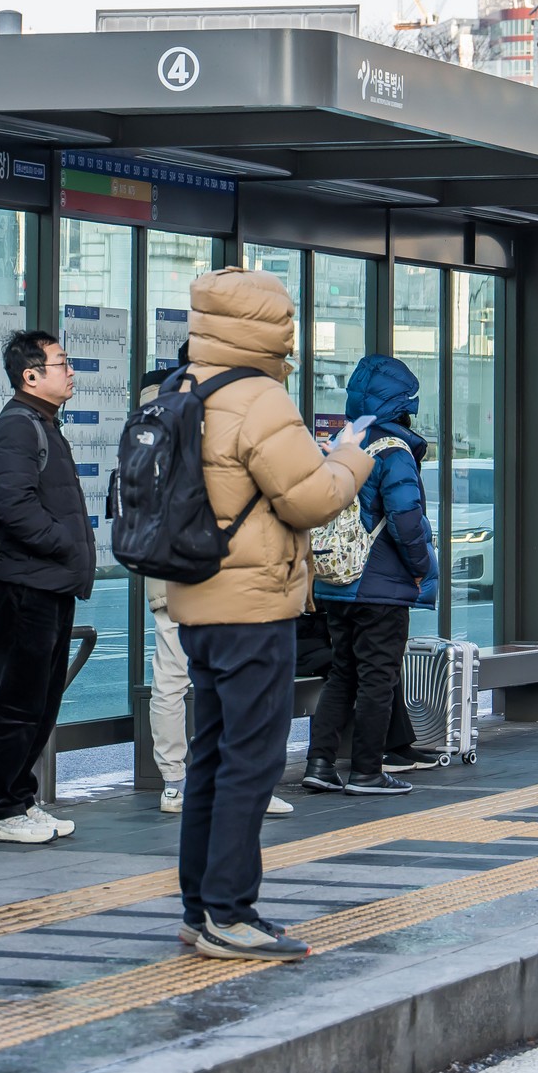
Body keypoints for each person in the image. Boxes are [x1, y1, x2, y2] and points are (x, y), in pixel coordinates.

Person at [166, 267, 372, 962]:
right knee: (250, 764)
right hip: (253, 606)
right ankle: (230, 911)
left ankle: (199, 909)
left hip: (198, 600)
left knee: (209, 760)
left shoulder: (182, 387)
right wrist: (351, 457)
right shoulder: (259, 399)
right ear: (270, 327)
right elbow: (310, 500)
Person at [138, 341, 292, 819]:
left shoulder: (157, 402)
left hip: (168, 557)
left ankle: (175, 782)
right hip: (227, 564)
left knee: (171, 675)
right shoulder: (239, 404)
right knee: (236, 679)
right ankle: (244, 783)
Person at [0, 329, 97, 844]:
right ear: (31, 376)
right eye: (61, 363)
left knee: (41, 699)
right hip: (26, 585)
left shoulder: (42, 424)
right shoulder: (18, 428)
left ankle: (19, 801)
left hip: (48, 584)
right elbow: (12, 505)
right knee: (18, 700)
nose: (71, 371)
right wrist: (64, 545)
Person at [306, 354, 439, 796]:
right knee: (378, 676)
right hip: (378, 585)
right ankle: (366, 770)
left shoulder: (345, 442)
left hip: (336, 582)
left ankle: (321, 763)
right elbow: (406, 519)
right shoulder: (394, 450)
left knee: (343, 672)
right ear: (399, 402)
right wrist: (422, 569)